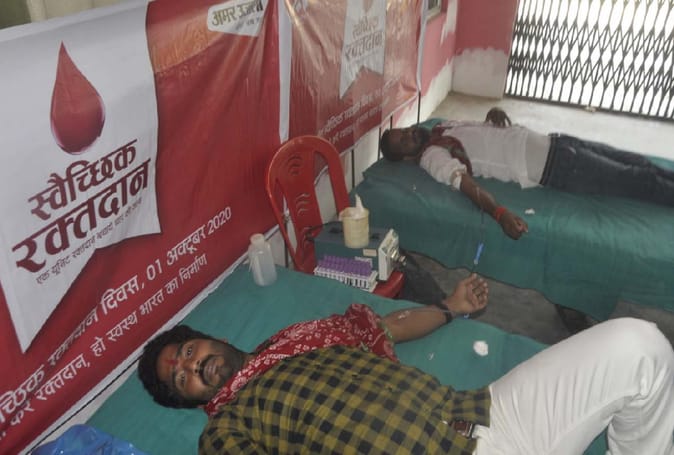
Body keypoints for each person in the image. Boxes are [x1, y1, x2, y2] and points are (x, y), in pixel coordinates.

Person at [138, 274, 674, 455]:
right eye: (179, 380)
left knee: (638, 344)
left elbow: (386, 328)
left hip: (484, 416)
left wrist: (450, 307)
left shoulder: (297, 339)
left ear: (212, 340)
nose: (190, 367)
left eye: (187, 353)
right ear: (191, 401)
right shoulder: (224, 428)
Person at [379, 108, 674, 240]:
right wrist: (500, 213)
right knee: (640, 179)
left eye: (404, 130)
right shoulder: (432, 156)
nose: (409, 134)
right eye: (403, 141)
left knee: (641, 163)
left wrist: (491, 115)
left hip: (556, 142)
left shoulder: (440, 128)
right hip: (555, 167)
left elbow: (479, 136)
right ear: (406, 158)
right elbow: (465, 184)